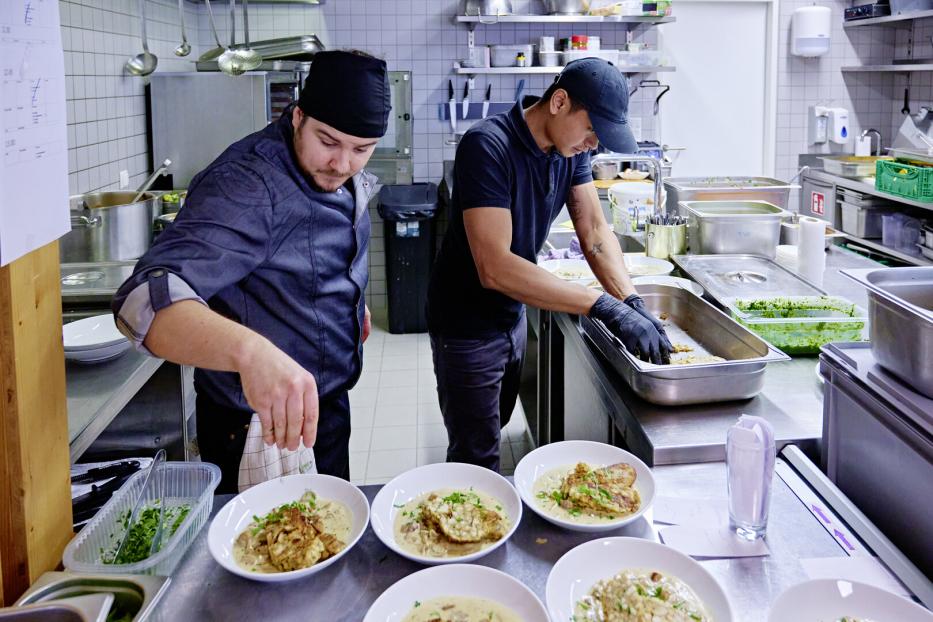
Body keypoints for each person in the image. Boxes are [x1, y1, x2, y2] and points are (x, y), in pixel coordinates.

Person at [111, 51, 392, 493]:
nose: (342, 164)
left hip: (323, 406)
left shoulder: (335, 168)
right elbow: (141, 303)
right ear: (298, 116)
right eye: (328, 141)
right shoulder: (248, 185)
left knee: (328, 544)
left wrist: (348, 304)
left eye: (362, 150)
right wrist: (250, 354)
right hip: (258, 428)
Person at [426, 58, 672, 472]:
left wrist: (629, 299)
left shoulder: (568, 149)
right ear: (559, 102)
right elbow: (495, 267)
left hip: (511, 315)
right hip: (465, 322)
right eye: (592, 130)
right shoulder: (487, 146)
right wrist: (601, 305)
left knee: (497, 425)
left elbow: (593, 230)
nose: (594, 144)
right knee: (475, 454)